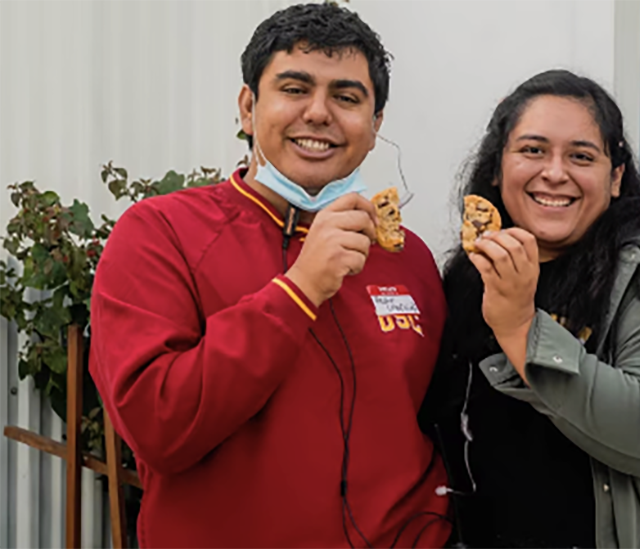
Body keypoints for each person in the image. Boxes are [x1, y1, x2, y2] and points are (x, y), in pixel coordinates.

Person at [90, 4, 452, 548]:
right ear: (247, 106)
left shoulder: (408, 256)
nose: (319, 113)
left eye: (348, 98)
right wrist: (300, 290)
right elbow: (158, 426)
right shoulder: (160, 234)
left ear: (375, 126)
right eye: (294, 88)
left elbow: (432, 423)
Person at [420, 70, 640, 549]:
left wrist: (520, 326)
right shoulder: (470, 274)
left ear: (615, 178)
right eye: (532, 150)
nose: (555, 172)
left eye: (581, 156)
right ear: (497, 168)